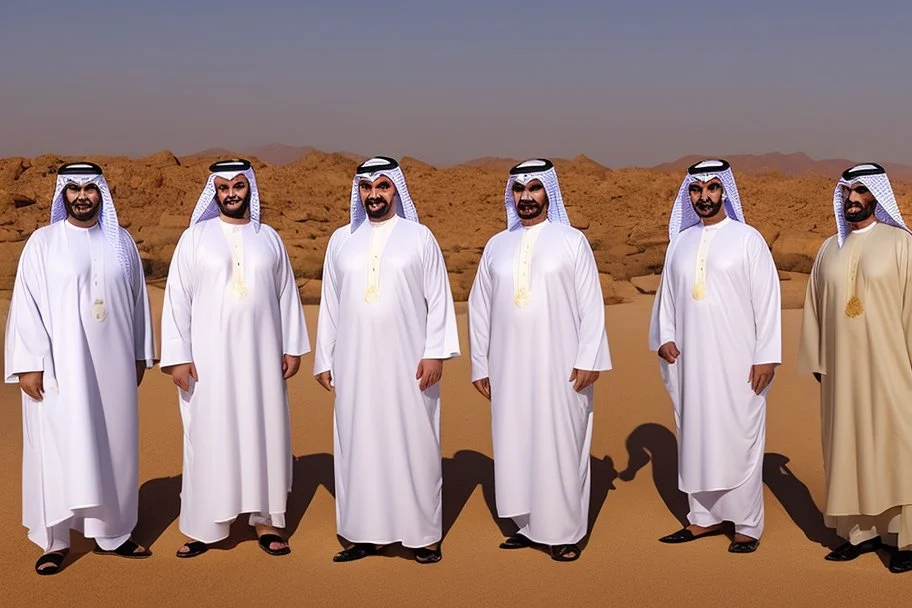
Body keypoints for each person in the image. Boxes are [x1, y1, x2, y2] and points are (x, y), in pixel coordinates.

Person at [5, 161, 154, 575]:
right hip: (58, 372)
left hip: (114, 372)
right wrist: (29, 364)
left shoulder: (121, 242)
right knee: (57, 450)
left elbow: (137, 302)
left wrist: (141, 354)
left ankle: (114, 534)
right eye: (73, 189)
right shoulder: (43, 242)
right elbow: (27, 307)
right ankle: (55, 541)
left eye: (90, 188)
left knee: (113, 448)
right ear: (63, 195)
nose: (82, 196)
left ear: (100, 193)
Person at [160, 159, 310, 558]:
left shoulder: (269, 238)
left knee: (265, 435)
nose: (231, 193)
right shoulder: (194, 238)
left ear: (250, 190)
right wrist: (178, 357)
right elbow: (177, 299)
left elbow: (286, 296)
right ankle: (205, 525)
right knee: (209, 436)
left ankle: (266, 523)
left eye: (238, 186)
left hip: (262, 361)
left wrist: (292, 346)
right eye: (223, 186)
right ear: (215, 192)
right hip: (208, 363)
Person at [314, 156, 459, 564]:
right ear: (358, 191)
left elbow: (439, 300)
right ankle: (365, 533)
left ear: (396, 189)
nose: (374, 195)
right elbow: (331, 304)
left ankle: (423, 536)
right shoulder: (341, 239)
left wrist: (435, 353)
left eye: (382, 186)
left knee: (415, 443)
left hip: (409, 366)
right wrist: (325, 357)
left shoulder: (419, 237)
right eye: (366, 187)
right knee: (359, 443)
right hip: (355, 365)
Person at [467, 158, 611, 562]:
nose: (526, 197)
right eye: (519, 189)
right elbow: (479, 308)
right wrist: (481, 363)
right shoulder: (497, 245)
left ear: (549, 193)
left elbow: (591, 305)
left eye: (534, 188)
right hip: (509, 368)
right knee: (517, 444)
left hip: (561, 367)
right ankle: (527, 527)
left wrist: (589, 357)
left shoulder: (571, 241)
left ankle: (564, 532)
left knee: (561, 444)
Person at [649, 159, 781, 553]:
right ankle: (702, 519)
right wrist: (665, 337)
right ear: (688, 195)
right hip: (692, 363)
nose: (704, 196)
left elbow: (768, 301)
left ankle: (746, 524)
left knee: (739, 435)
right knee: (696, 436)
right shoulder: (681, 243)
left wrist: (766, 355)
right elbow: (666, 299)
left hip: (738, 362)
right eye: (696, 189)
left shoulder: (747, 239)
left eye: (712, 188)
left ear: (725, 191)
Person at [798, 163, 912, 573]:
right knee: (847, 448)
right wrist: (817, 359)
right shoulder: (830, 248)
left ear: (877, 196)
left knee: (897, 447)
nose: (851, 199)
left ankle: (905, 538)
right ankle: (859, 533)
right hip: (841, 375)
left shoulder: (902, 244)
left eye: (861, 192)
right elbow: (814, 308)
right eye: (846, 192)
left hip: (892, 370)